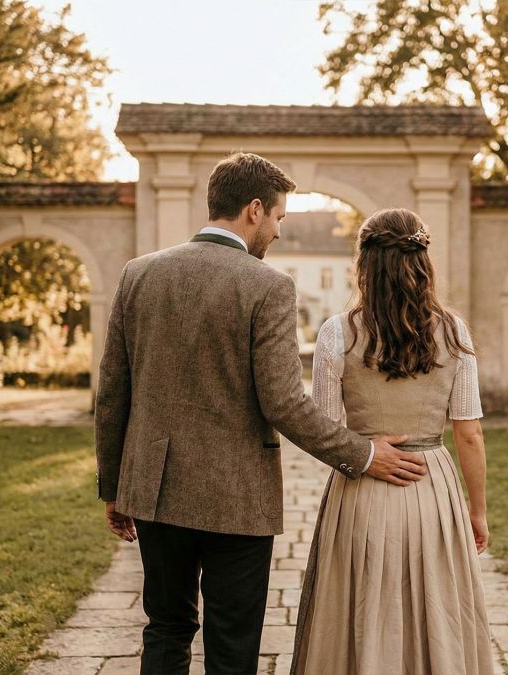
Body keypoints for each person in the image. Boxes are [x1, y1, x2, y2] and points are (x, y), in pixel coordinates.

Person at [93, 153, 428, 675]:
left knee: (166, 627)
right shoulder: (267, 285)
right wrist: (363, 454)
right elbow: (284, 401)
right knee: (233, 641)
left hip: (153, 489)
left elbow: (113, 391)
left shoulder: (139, 274)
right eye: (277, 218)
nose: (276, 232)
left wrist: (114, 484)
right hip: (237, 496)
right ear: (254, 209)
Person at [291, 208, 494, 675]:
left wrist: (362, 452)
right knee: (435, 606)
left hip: (361, 486)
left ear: (363, 264)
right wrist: (476, 511)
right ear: (423, 261)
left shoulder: (336, 333)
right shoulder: (454, 331)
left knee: (362, 604)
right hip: (433, 486)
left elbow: (324, 427)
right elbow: (469, 431)